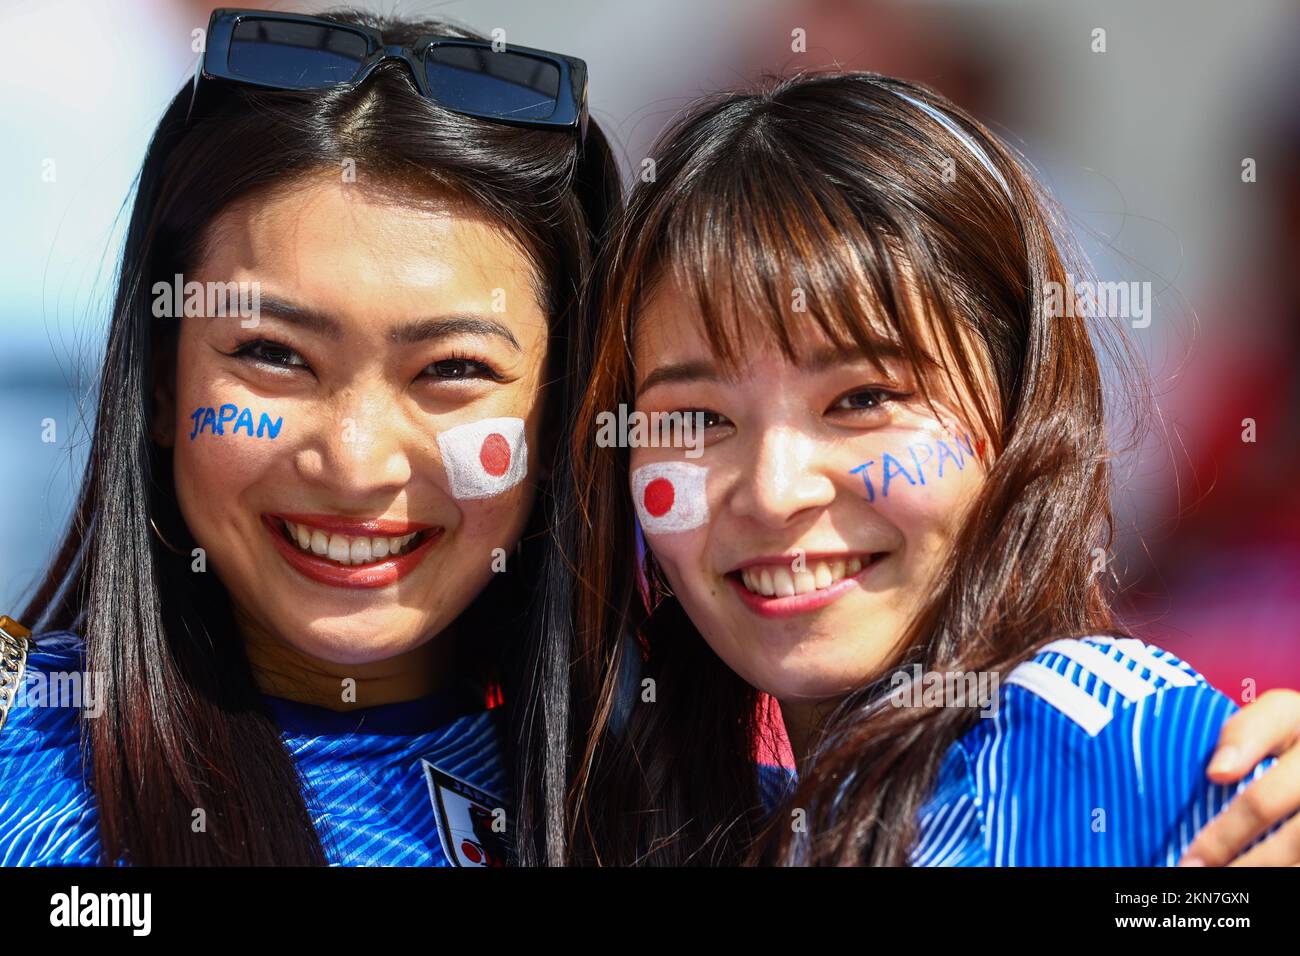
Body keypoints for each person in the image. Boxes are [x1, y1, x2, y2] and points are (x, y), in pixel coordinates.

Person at [566, 70, 1300, 865]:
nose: (775, 493)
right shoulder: (645, 805)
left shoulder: (1126, 762)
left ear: (1022, 405)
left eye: (863, 399)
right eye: (698, 420)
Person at [0, 7, 618, 866]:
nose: (355, 464)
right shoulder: (20, 766)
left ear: (563, 418)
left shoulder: (691, 809)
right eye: (274, 354)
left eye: (451, 369)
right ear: (160, 380)